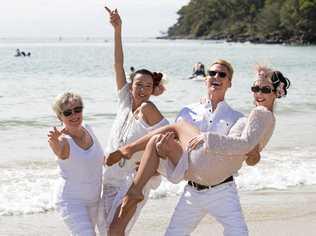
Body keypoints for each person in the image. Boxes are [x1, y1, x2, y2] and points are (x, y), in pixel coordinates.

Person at [108, 64, 291, 235]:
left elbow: (248, 153)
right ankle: (132, 183)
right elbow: (174, 147)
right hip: (192, 185)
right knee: (160, 139)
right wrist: (156, 160)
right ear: (206, 79)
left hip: (222, 188)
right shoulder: (189, 110)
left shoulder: (239, 116)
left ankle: (132, 172)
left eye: (222, 74)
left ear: (229, 83)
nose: (259, 93)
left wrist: (210, 138)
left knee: (177, 127)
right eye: (212, 73)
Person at [100, 7, 169, 236]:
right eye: (139, 84)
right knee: (106, 232)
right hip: (108, 179)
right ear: (131, 85)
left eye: (148, 86)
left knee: (115, 232)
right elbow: (118, 64)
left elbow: (169, 136)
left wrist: (155, 168)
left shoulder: (149, 109)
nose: (142, 90)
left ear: (152, 90)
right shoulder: (124, 102)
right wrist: (118, 29)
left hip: (131, 182)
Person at [47, 92, 105, 236]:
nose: (74, 115)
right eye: (67, 113)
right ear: (60, 117)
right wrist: (55, 142)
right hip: (71, 201)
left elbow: (101, 159)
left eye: (77, 109)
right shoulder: (63, 140)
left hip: (95, 200)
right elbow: (60, 151)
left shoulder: (88, 128)